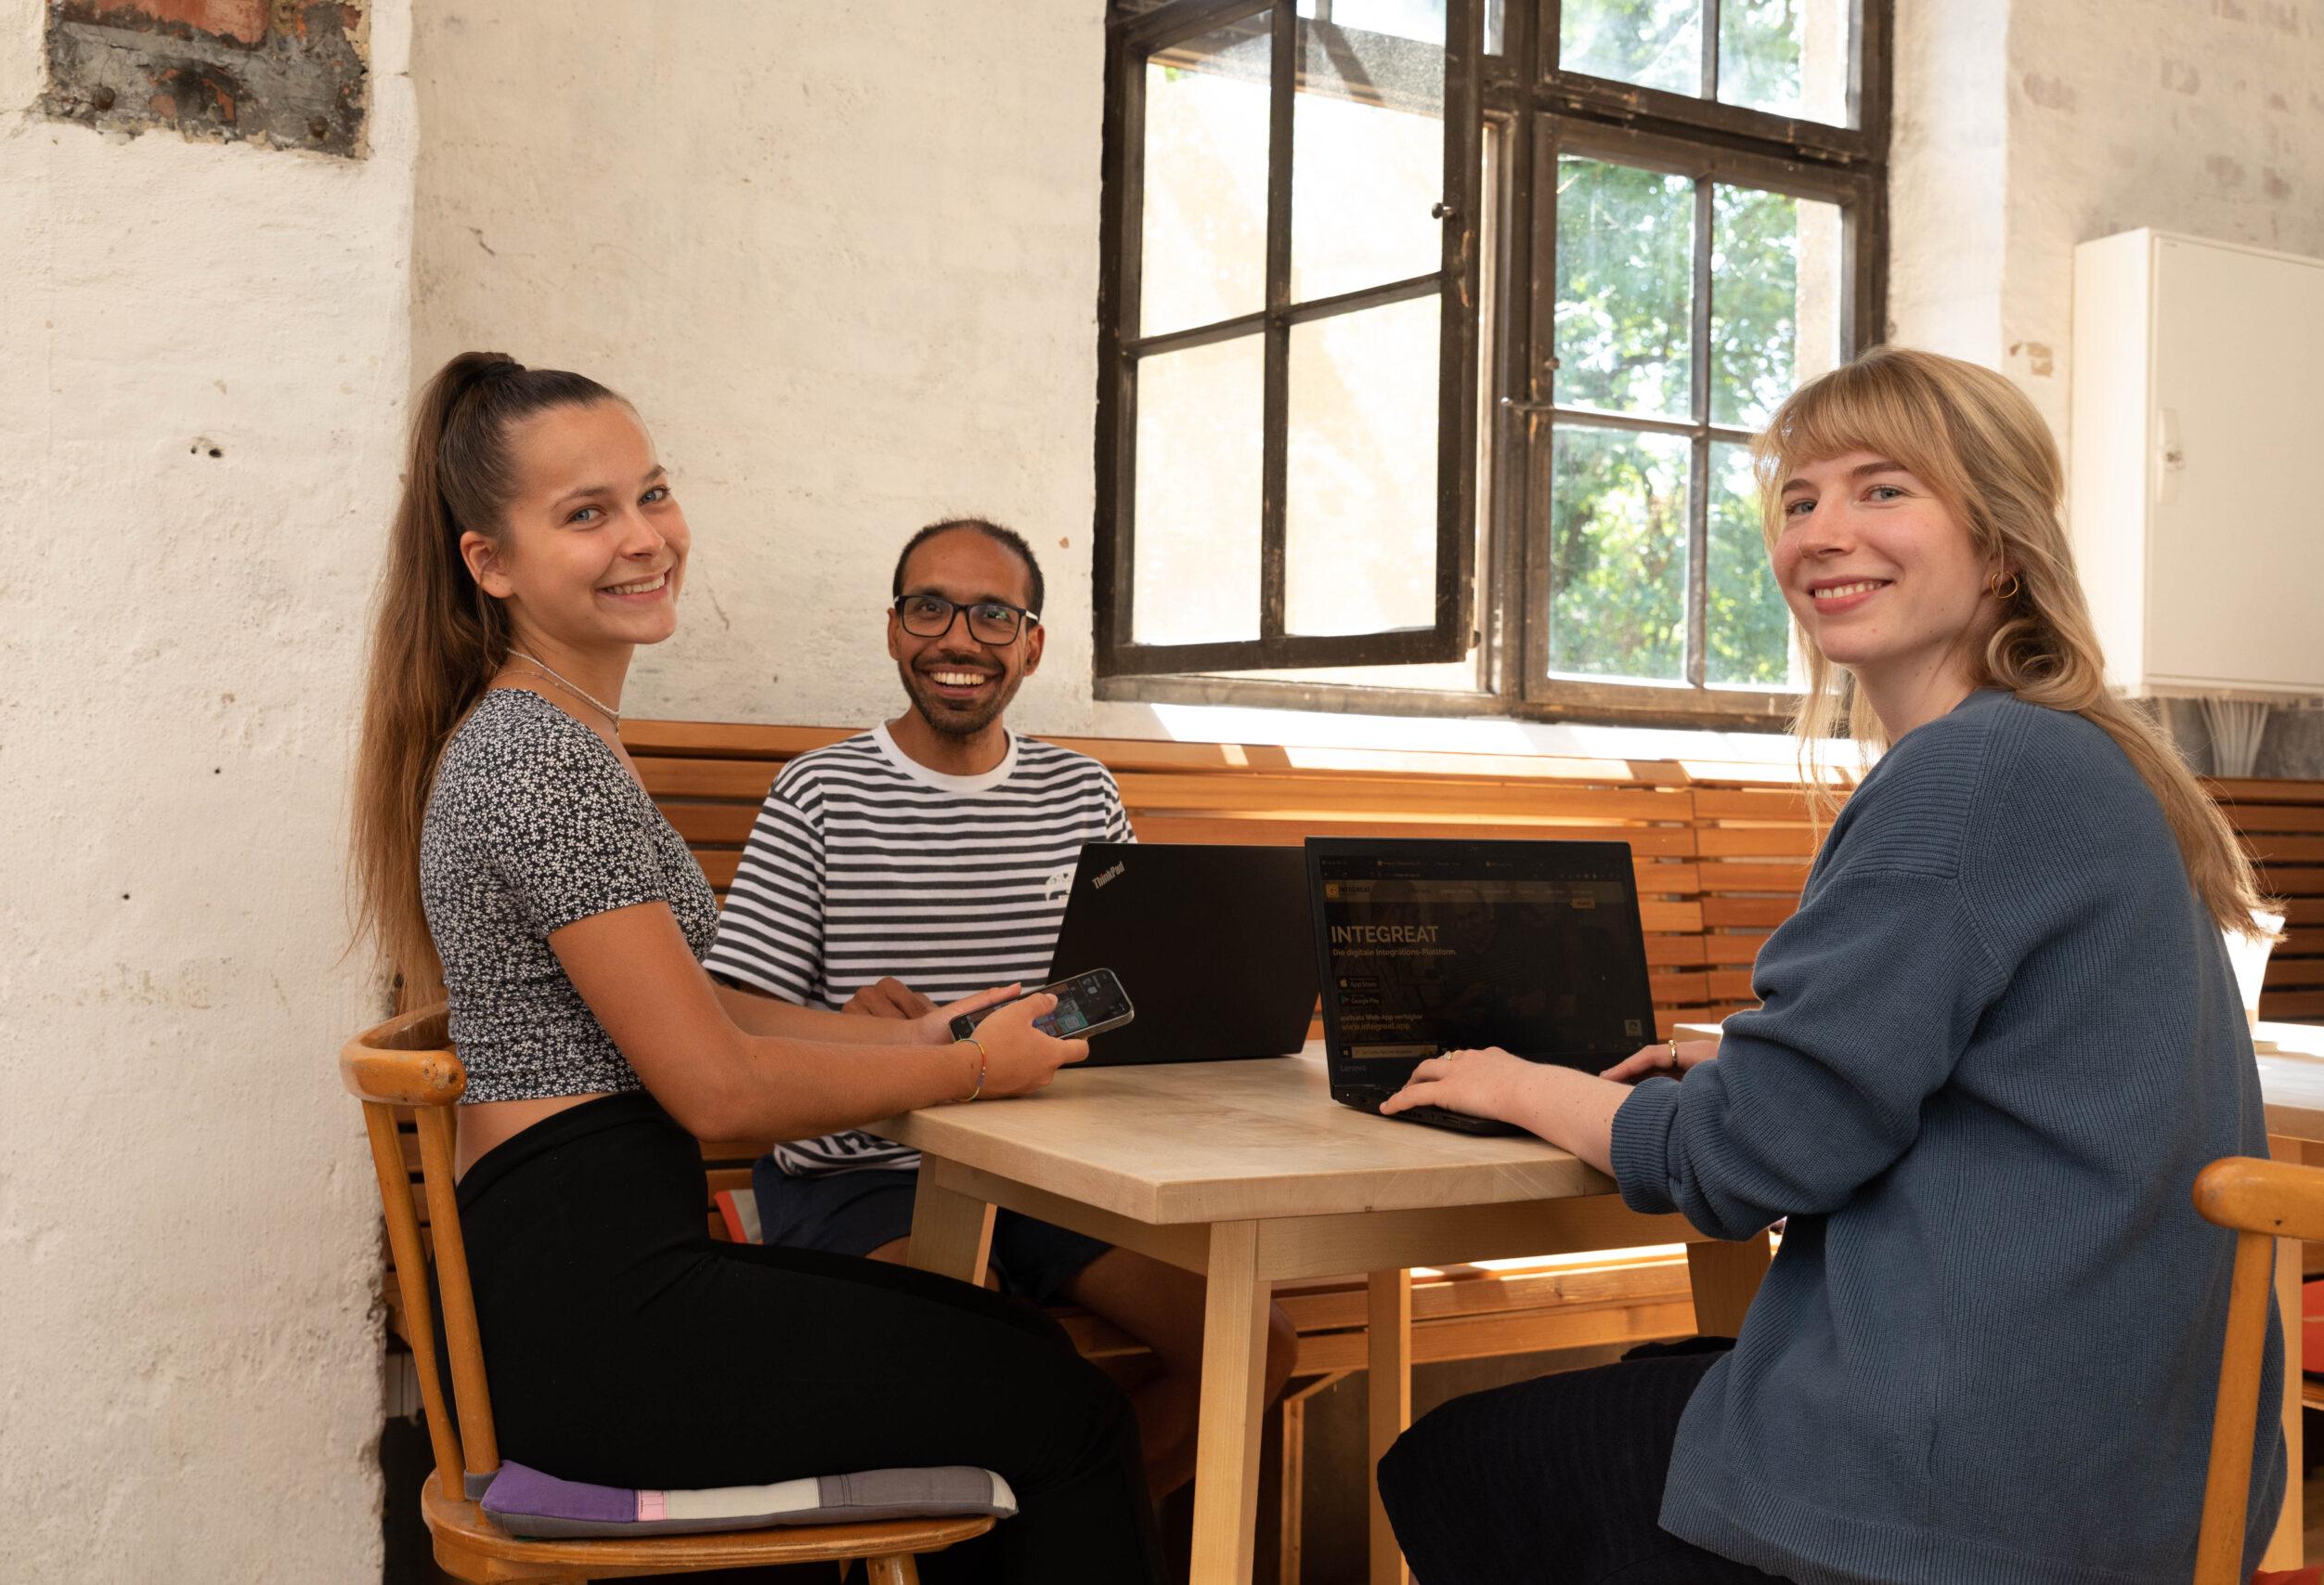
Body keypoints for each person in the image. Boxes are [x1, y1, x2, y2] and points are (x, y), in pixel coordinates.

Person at [1369, 346, 2283, 1585]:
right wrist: (1747, 1055)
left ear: (2001, 543)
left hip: (1972, 1484)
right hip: (2124, 1466)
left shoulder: (1968, 770)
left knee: (1454, 1459)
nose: (1823, 531)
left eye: (1883, 488)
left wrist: (1518, 1081)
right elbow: (1979, 1061)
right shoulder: (2076, 755)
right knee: (1666, 1378)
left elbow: (1747, 1161)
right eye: (1800, 500)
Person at [346, 353, 1168, 1584]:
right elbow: (718, 1088)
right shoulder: (537, 756)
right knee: (1069, 1414)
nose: (643, 537)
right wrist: (972, 1074)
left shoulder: (559, 730)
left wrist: (938, 1031)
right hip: (599, 1321)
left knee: (1023, 1354)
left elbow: (703, 1002)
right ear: (491, 562)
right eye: (587, 513)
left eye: (652, 492)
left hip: (600, 1275)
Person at [705, 515, 1298, 1501]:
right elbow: (732, 1010)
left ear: (1030, 645)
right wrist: (869, 1033)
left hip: (1058, 1173)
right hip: (866, 1171)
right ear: (895, 631)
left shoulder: (1080, 793)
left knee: (1255, 1343)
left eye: (992, 614)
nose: (958, 638)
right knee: (990, 1360)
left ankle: (1058, 1543)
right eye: (929, 608)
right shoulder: (819, 792)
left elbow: (1127, 998)